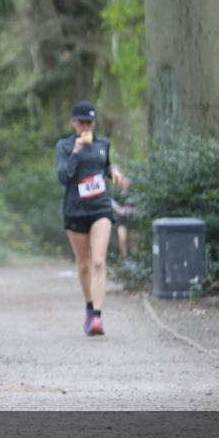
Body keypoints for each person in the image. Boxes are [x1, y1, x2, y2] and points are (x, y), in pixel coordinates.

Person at [56, 101, 124, 336]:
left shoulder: (103, 144)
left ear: (94, 123)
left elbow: (104, 165)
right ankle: (88, 305)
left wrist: (113, 171)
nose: (85, 126)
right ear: (73, 123)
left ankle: (97, 316)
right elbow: (63, 177)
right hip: (75, 210)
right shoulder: (64, 146)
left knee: (98, 261)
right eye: (81, 122)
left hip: (100, 208)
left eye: (89, 122)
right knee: (83, 263)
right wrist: (75, 152)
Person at [112, 177, 136, 258]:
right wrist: (118, 209)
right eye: (125, 182)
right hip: (121, 219)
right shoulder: (118, 194)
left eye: (127, 182)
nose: (126, 183)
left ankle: (134, 258)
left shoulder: (134, 194)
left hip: (132, 219)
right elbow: (112, 202)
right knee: (122, 238)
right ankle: (124, 258)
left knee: (133, 239)